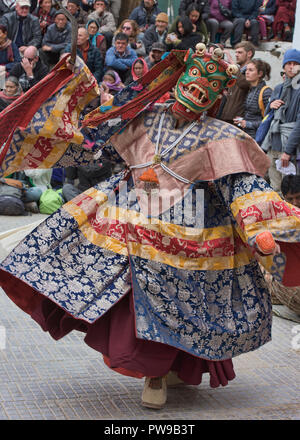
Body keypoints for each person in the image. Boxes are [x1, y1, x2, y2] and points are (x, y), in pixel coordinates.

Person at [1, 42, 300, 410]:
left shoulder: (224, 137)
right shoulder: (142, 114)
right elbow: (98, 145)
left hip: (194, 227)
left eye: (206, 90)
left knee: (184, 297)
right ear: (179, 79)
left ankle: (167, 368)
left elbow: (243, 186)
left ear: (217, 96)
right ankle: (153, 370)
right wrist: (70, 94)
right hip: (131, 209)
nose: (195, 94)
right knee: (127, 281)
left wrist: (263, 228)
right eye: (192, 82)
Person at [261, 49, 300, 194]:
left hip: (291, 147)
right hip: (273, 144)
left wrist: (288, 151)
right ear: (283, 67)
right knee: (274, 188)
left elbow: (298, 125)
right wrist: (270, 107)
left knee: (290, 192)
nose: (291, 67)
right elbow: (267, 118)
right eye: (288, 64)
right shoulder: (278, 88)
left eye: (295, 64)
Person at [233, 59, 272, 138]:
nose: (247, 72)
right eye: (246, 69)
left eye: (251, 70)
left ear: (260, 74)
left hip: (258, 137)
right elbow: (251, 114)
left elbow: (270, 119)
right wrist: (242, 120)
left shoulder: (266, 92)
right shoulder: (251, 90)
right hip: (247, 135)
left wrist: (248, 124)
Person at [218, 41, 255, 124]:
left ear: (249, 54)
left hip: (238, 119)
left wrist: (232, 64)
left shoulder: (252, 71)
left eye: (240, 52)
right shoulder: (238, 70)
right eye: (236, 52)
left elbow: (244, 84)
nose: (236, 55)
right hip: (227, 117)